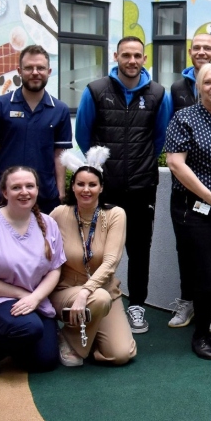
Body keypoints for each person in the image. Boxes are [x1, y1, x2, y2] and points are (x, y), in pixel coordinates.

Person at [76, 36, 173, 334]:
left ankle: (137, 307)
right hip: (106, 188)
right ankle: (97, 301)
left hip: (143, 187)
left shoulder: (158, 94)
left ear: (145, 59)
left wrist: (141, 164)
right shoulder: (95, 91)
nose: (132, 61)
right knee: (97, 249)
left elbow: (159, 138)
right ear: (116, 56)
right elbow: (83, 135)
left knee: (139, 249)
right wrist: (103, 172)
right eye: (126, 55)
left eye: (137, 56)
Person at [163, 63, 211, 360]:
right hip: (194, 208)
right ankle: (200, 336)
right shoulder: (183, 118)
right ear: (198, 86)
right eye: (206, 82)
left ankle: (209, 333)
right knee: (207, 274)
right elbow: (175, 164)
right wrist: (209, 197)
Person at [0, 167, 64, 376]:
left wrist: (35, 297)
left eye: (29, 186)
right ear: (5, 193)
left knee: (45, 361)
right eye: (16, 187)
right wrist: (20, 294)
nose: (24, 192)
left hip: (33, 299)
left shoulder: (48, 223)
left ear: (37, 189)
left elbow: (55, 269)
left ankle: (14, 341)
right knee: (29, 328)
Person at [50, 148, 137, 367]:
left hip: (103, 291)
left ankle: (87, 330)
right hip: (66, 292)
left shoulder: (115, 215)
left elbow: (110, 262)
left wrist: (86, 292)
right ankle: (70, 338)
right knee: (97, 299)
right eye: (80, 184)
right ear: (72, 186)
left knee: (120, 354)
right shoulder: (59, 214)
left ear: (101, 187)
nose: (86, 189)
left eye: (92, 184)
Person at [0, 44, 72, 214]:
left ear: (49, 71)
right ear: (19, 71)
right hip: (6, 195)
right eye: (29, 67)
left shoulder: (60, 110)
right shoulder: (0, 105)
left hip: (46, 196)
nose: (35, 72)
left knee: (44, 240)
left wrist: (61, 192)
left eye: (40, 68)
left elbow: (59, 154)